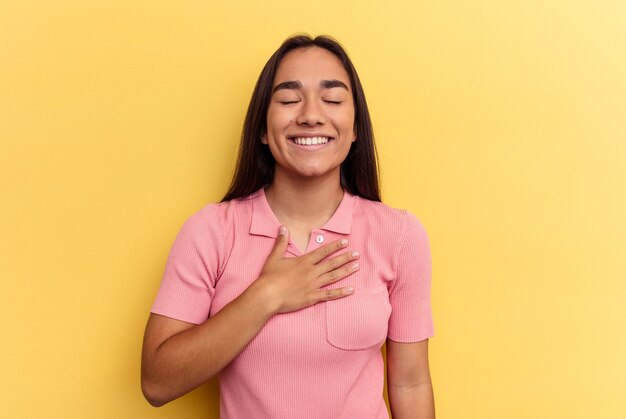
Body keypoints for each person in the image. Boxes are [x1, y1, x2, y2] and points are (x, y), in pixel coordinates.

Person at [141, 34, 435, 419]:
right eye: (288, 99)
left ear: (356, 127)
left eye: (331, 99)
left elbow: (410, 383)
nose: (311, 114)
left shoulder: (399, 235)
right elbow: (157, 382)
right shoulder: (211, 230)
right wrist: (267, 295)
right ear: (263, 129)